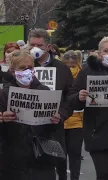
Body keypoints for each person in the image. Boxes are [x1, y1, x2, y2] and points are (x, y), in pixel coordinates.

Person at [68, 36, 108, 180]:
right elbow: (72, 99)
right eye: (106, 51)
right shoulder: (88, 71)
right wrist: (79, 97)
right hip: (98, 135)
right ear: (99, 53)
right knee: (105, 174)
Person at [0, 49, 61, 180]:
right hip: (13, 162)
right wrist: (2, 119)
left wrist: (56, 120)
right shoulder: (4, 94)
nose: (27, 71)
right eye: (22, 68)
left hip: (42, 157)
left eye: (30, 68)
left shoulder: (45, 90)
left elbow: (53, 129)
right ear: (12, 71)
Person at [28, 28, 74, 180]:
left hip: (53, 128)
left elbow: (70, 97)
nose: (35, 49)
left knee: (57, 166)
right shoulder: (25, 66)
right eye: (32, 45)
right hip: (27, 128)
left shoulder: (62, 69)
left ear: (48, 47)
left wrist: (61, 114)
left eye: (39, 45)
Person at [61, 50, 83, 180]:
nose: (70, 68)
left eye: (72, 66)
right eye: (68, 66)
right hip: (71, 120)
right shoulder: (83, 74)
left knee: (65, 155)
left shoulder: (82, 75)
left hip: (73, 121)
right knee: (73, 156)